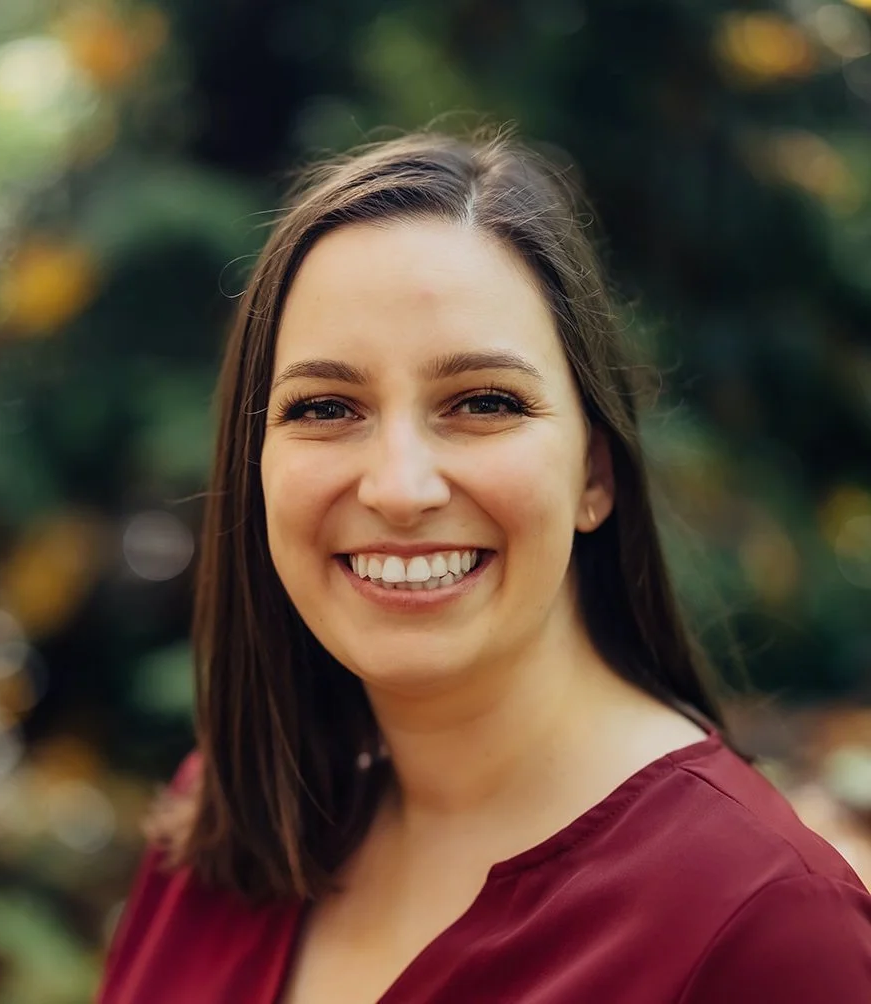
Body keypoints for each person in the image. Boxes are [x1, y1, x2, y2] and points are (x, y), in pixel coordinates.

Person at [97, 130, 871, 1004]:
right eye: (325, 407)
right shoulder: (218, 825)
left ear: (593, 472)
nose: (399, 487)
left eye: (483, 402)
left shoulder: (762, 923)